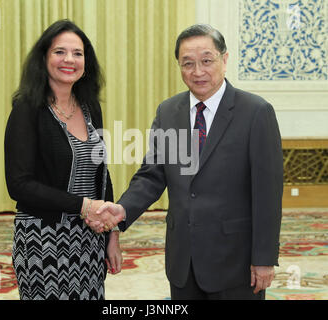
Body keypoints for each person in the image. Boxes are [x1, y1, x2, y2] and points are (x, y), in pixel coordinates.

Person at [92, 24, 284, 300]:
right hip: (183, 261)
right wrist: (122, 210)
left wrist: (264, 258)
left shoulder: (256, 112)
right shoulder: (169, 111)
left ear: (225, 59)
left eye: (207, 60)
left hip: (235, 263)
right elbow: (152, 174)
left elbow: (268, 193)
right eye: (188, 63)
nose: (198, 72)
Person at [4, 19, 123, 300]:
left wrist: (113, 233)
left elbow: (101, 173)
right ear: (43, 58)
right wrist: (84, 206)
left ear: (86, 62)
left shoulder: (90, 107)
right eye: (60, 52)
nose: (69, 60)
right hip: (42, 239)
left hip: (90, 239)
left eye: (78, 53)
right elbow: (19, 185)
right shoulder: (27, 109)